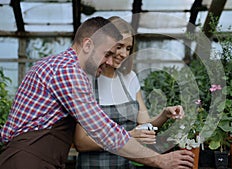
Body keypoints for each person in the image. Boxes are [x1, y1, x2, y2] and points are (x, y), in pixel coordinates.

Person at [0, 16, 194, 169]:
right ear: (87, 45)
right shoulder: (69, 71)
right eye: (107, 53)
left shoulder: (62, 66)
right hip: (27, 160)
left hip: (38, 159)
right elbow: (103, 131)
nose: (111, 61)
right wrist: (160, 161)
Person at [74, 16, 186, 169]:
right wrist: (128, 136)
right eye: (119, 46)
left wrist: (164, 115)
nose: (124, 54)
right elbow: (81, 142)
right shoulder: (86, 79)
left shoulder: (129, 78)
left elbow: (144, 126)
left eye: (128, 48)